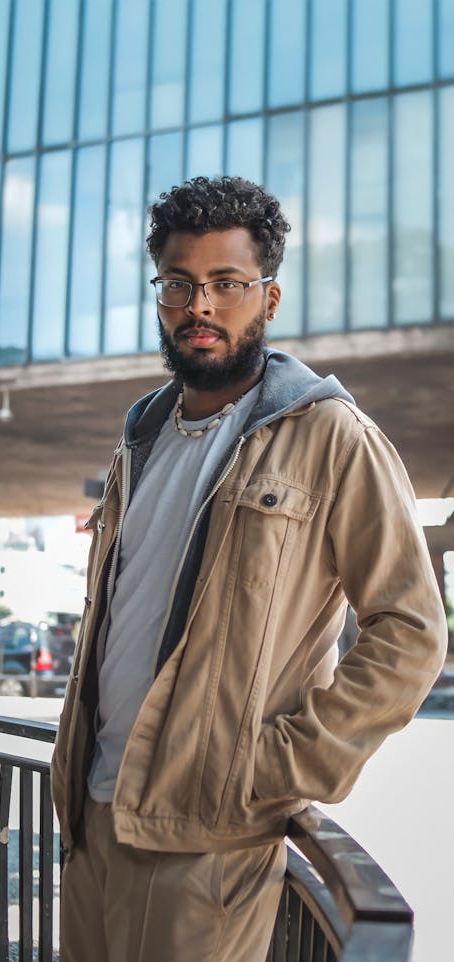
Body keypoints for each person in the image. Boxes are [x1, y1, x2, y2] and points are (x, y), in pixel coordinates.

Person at [51, 176, 447, 962]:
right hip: (90, 823)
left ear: (268, 301)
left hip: (208, 844)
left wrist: (278, 766)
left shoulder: (333, 437)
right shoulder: (142, 437)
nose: (200, 306)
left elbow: (411, 631)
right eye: (178, 283)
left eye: (227, 284)